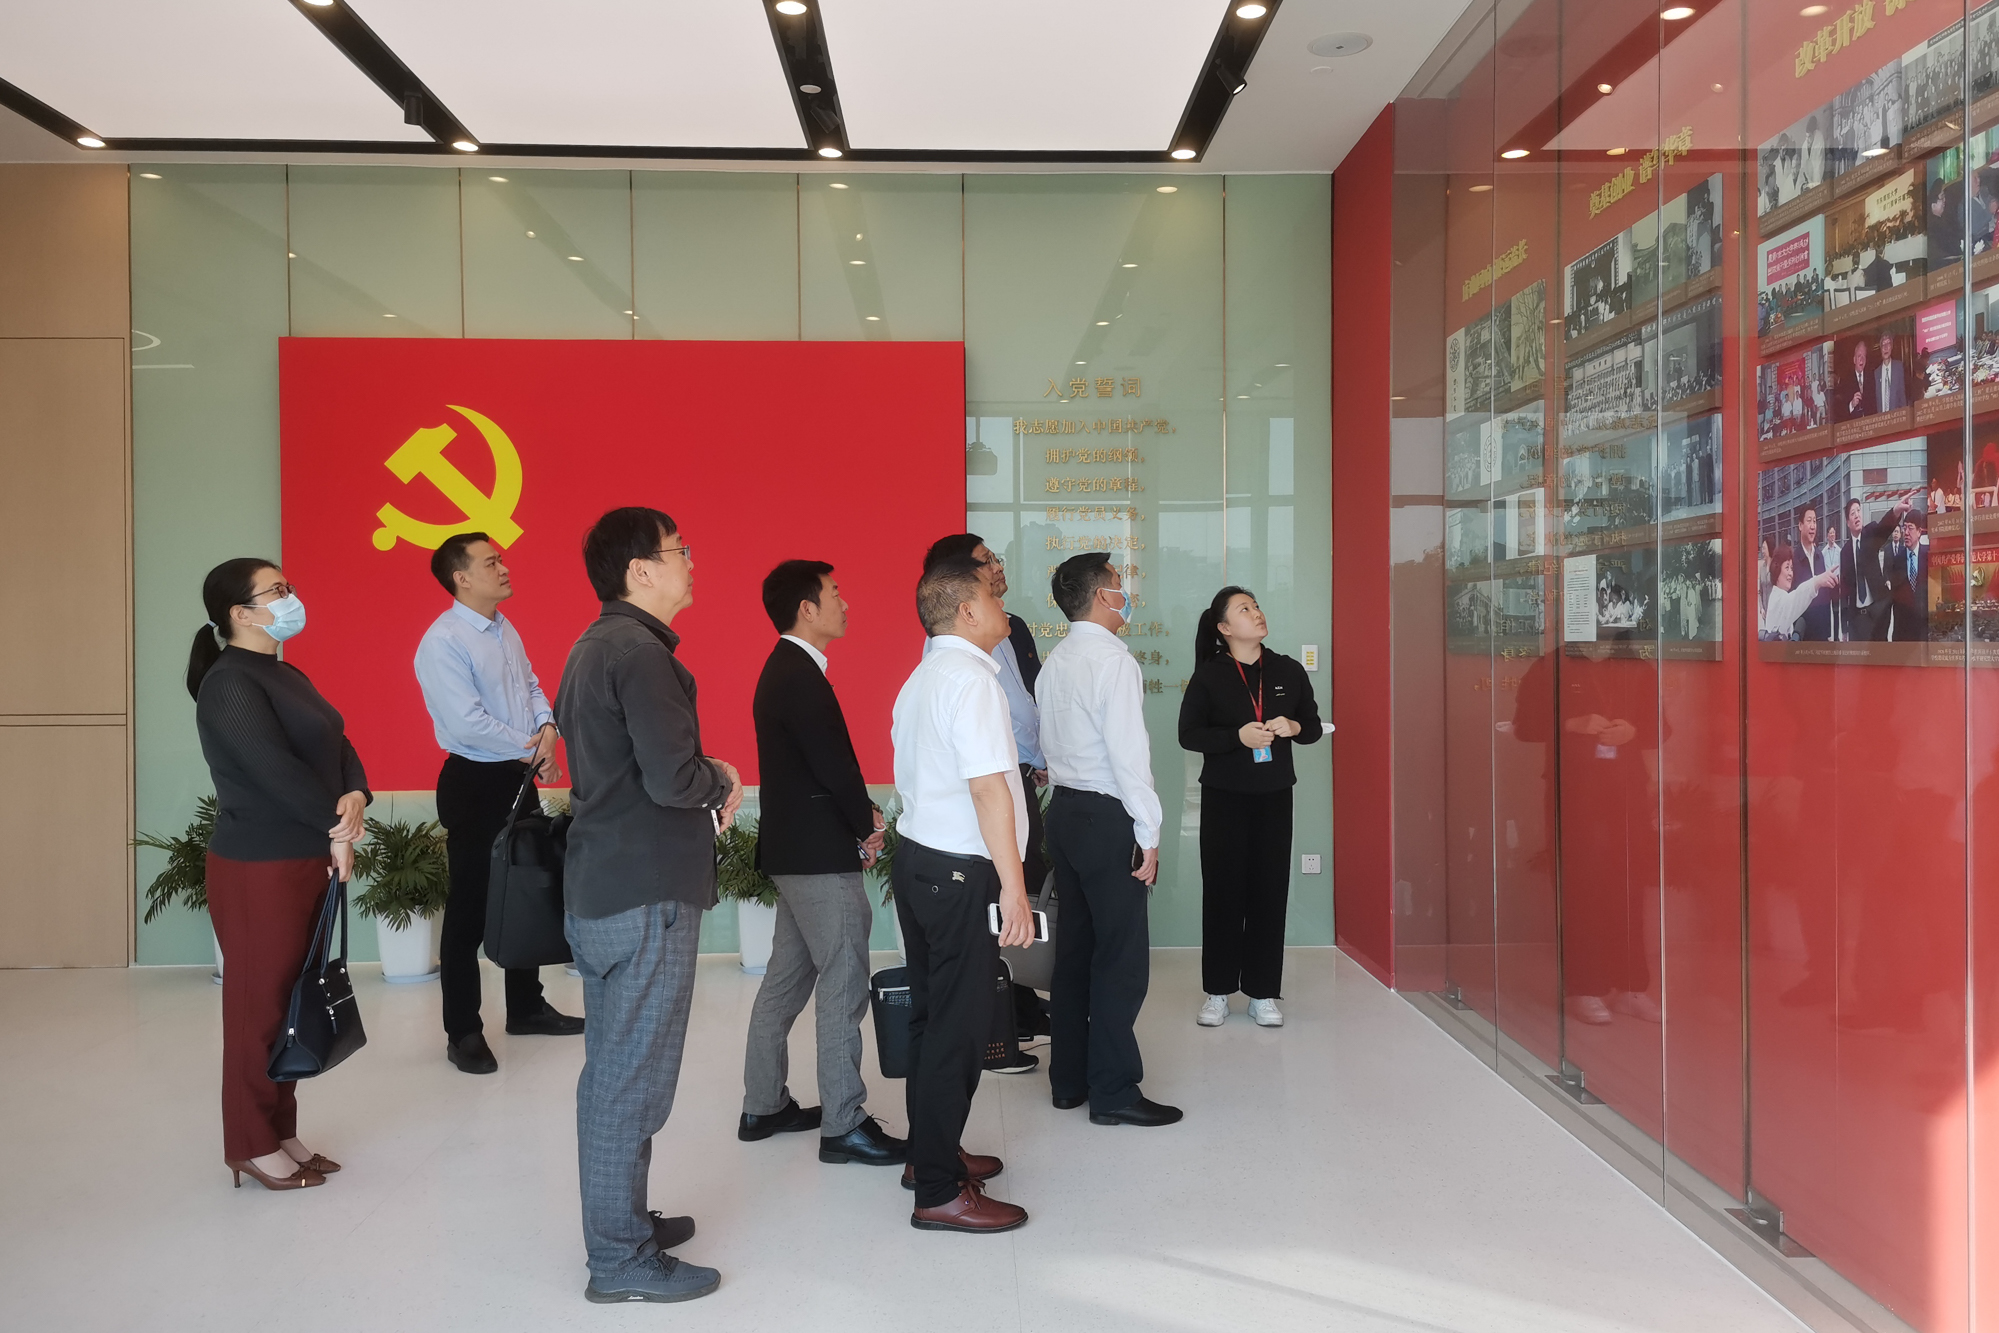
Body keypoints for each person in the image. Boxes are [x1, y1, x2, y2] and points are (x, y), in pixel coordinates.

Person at [556, 507, 743, 1304]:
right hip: (645, 896)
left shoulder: (595, 645)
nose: (690, 562)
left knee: (612, 1072)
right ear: (641, 569)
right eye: (679, 550)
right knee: (630, 1084)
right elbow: (672, 780)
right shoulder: (640, 654)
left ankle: (622, 1223)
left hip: (605, 888)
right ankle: (619, 1257)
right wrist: (720, 778)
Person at [187, 558, 368, 1190]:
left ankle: (282, 1131)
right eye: (277, 591)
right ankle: (250, 1143)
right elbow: (274, 770)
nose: (291, 598)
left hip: (303, 856)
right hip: (257, 867)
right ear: (240, 613)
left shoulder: (285, 673)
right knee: (257, 1009)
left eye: (289, 587)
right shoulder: (229, 682)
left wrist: (355, 794)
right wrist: (336, 826)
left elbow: (336, 743)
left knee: (293, 1003)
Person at [739, 559, 902, 1166]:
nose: (845, 602)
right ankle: (844, 1123)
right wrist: (866, 824)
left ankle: (764, 1105)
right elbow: (833, 766)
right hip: (816, 859)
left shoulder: (787, 669)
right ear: (807, 608)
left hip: (795, 854)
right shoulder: (798, 674)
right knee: (844, 982)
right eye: (835, 593)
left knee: (786, 982)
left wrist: (858, 819)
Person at [890, 556, 1034, 1233]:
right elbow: (988, 789)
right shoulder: (972, 680)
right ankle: (940, 1191)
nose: (1004, 605)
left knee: (932, 1017)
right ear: (968, 612)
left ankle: (930, 1155)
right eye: (993, 597)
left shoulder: (923, 676)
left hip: (921, 861)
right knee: (960, 1027)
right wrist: (1015, 888)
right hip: (958, 872)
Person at [413, 532, 582, 1077]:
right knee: (470, 909)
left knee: (523, 893)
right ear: (461, 577)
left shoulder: (504, 628)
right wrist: (534, 749)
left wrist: (547, 730)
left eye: (501, 559)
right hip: (475, 781)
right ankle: (462, 1031)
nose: (504, 568)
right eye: (491, 562)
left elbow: (530, 687)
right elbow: (466, 723)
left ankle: (526, 1008)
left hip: (516, 774)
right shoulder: (443, 641)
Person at [1036, 554, 1178, 1125]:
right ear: (1101, 596)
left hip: (1065, 814)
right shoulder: (1113, 661)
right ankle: (1115, 1091)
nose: (1126, 594)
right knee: (1120, 958)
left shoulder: (1056, 660)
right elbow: (1128, 756)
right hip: (1106, 817)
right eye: (1119, 586)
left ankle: (1068, 1081)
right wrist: (1149, 831)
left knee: (1074, 952)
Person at [923, 533, 1050, 1063]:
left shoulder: (1002, 630)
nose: (996, 567)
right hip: (992, 789)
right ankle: (1000, 1031)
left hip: (1011, 776)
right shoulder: (963, 666)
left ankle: (1019, 1010)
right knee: (1005, 908)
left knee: (1019, 903)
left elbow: (1030, 694)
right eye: (985, 562)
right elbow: (986, 774)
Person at [1177, 587, 1323, 1028]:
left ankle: (1263, 993)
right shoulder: (1210, 675)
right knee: (1223, 892)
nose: (1257, 613)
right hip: (1224, 797)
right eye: (1245, 609)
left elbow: (1313, 727)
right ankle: (1218, 992)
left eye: (1256, 606)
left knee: (1269, 892)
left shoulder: (1288, 669)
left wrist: (1294, 725)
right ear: (1224, 627)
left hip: (1275, 796)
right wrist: (1235, 738)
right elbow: (1189, 735)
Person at [1839, 496, 1905, 641]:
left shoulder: (1870, 534)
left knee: (1880, 652)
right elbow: (1844, 591)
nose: (1857, 515)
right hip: (1858, 617)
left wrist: (1896, 511)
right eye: (1852, 513)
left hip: (1878, 612)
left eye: (1858, 511)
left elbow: (1883, 528)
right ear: (1847, 522)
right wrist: (1844, 628)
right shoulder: (1845, 552)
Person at [1792, 503, 1836, 641]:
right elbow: (1792, 598)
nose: (1813, 526)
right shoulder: (1794, 559)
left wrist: (1827, 632)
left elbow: (1824, 595)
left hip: (1821, 633)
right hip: (1803, 633)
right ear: (1800, 526)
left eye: (1815, 521)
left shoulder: (1819, 556)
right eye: (1809, 521)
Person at [1888, 507, 1930, 642]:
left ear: (1919, 532)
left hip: (1925, 631)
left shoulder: (1929, 556)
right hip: (1904, 633)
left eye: (1910, 528)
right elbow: (1896, 602)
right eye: (1904, 528)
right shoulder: (1897, 560)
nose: (1906, 532)